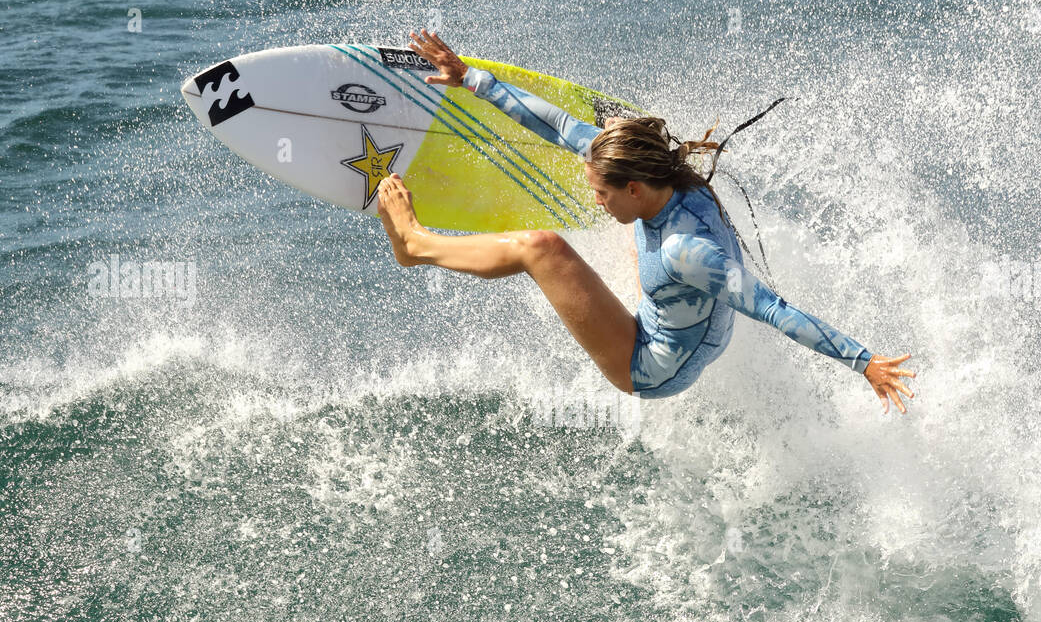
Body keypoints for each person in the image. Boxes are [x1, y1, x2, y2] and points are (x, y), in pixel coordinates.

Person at [375, 29, 916, 414]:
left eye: (603, 194)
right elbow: (562, 126)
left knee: (543, 248)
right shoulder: (668, 174)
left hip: (650, 365)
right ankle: (622, 146)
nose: (597, 202)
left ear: (633, 187)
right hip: (686, 309)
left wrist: (864, 362)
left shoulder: (690, 254)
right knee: (608, 129)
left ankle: (417, 245)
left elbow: (773, 309)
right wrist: (473, 78)